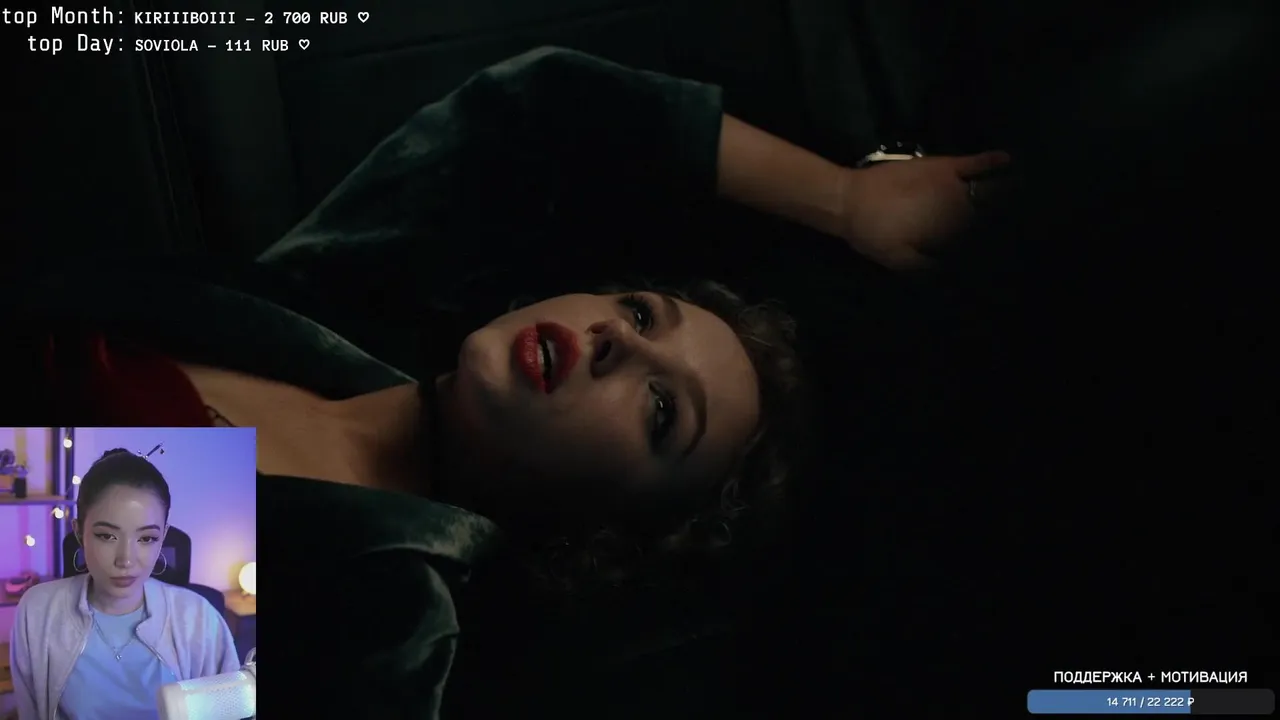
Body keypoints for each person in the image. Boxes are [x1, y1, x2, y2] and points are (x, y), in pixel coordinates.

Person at [12, 47, 1007, 717]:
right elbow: (544, 107)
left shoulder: (383, 631)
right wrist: (844, 200)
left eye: (662, 411)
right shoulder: (324, 310)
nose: (616, 344)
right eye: (639, 313)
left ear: (602, 533)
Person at [8, 449, 239, 720]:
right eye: (107, 536)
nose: (126, 560)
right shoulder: (37, 611)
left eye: (147, 538)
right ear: (79, 532)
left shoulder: (199, 618)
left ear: (163, 536)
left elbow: (232, 710)